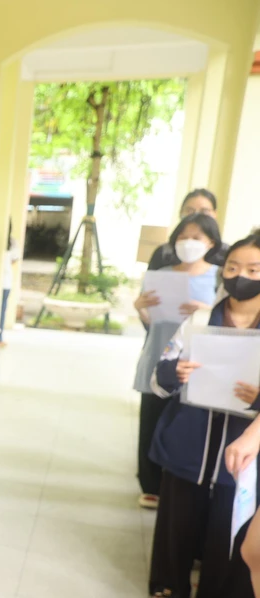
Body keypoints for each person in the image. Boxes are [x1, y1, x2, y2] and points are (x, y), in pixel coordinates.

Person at [146, 233, 260, 598]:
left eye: (253, 269)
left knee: (228, 535)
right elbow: (159, 378)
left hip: (239, 456)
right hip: (189, 444)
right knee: (176, 527)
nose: (240, 275)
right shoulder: (198, 318)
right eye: (232, 266)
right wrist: (175, 372)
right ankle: (167, 586)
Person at [133, 213, 222, 510]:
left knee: (179, 423)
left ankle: (176, 485)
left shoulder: (220, 277)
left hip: (194, 364)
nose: (188, 243)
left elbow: (225, 321)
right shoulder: (162, 273)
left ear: (211, 241)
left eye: (197, 237)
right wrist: (141, 308)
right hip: (158, 354)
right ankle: (150, 486)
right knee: (150, 421)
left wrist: (203, 308)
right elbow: (150, 321)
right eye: (183, 236)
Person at [148, 189, 228, 269]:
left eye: (204, 211)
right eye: (190, 210)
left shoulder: (226, 253)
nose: (196, 216)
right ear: (181, 213)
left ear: (215, 214)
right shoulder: (164, 252)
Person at [0, 219, 20, 348]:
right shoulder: (13, 243)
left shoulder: (7, 242)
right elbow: (14, 261)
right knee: (2, 311)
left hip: (2, 282)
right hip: (6, 282)